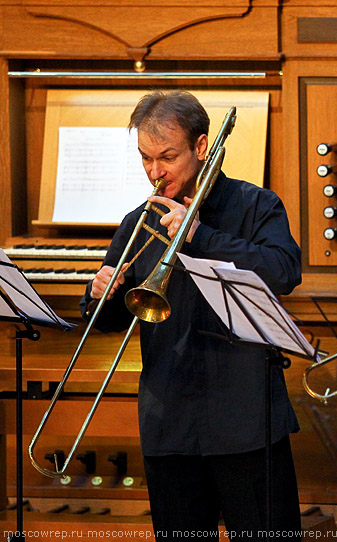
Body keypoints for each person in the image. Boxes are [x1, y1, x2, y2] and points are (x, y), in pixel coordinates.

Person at [79, 90, 303, 541]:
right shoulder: (139, 220)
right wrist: (99, 293)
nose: (155, 173)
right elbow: (108, 320)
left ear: (201, 147)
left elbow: (284, 270)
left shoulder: (256, 205)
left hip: (246, 424)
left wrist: (199, 234)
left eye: (167, 157)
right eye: (145, 158)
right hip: (171, 422)